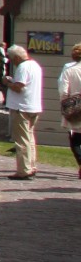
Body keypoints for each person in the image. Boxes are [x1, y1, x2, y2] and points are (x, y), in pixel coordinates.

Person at [4, 44, 43, 179]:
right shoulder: (35, 65)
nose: (11, 61)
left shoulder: (23, 67)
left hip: (22, 108)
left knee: (22, 141)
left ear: (16, 57)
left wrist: (7, 82)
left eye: (11, 58)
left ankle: (24, 170)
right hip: (34, 106)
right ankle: (31, 166)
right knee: (30, 139)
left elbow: (19, 87)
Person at [59, 42, 81, 178]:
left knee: (75, 139)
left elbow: (63, 92)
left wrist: (66, 106)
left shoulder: (69, 71)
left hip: (75, 106)